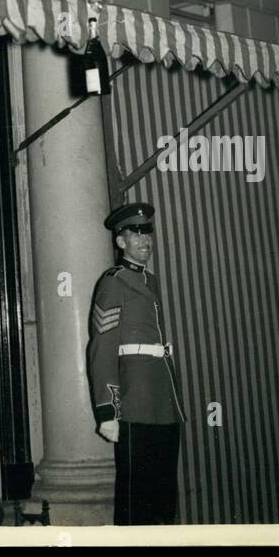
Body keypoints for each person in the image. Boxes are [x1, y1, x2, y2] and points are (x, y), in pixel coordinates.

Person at [87, 201, 186, 525]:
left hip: (162, 403)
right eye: (135, 233)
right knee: (136, 505)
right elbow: (102, 347)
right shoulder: (113, 281)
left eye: (148, 232)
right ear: (120, 241)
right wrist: (108, 411)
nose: (145, 239)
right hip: (134, 403)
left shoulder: (150, 281)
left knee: (162, 499)